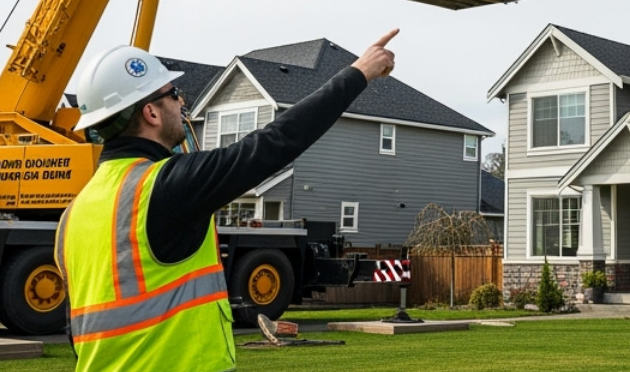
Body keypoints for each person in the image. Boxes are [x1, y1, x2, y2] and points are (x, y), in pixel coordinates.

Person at [56, 29, 398, 372]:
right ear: (151, 113)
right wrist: (359, 72)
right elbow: (275, 143)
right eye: (174, 94)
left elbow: (78, 330)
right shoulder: (164, 187)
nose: (182, 103)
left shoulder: (72, 217)